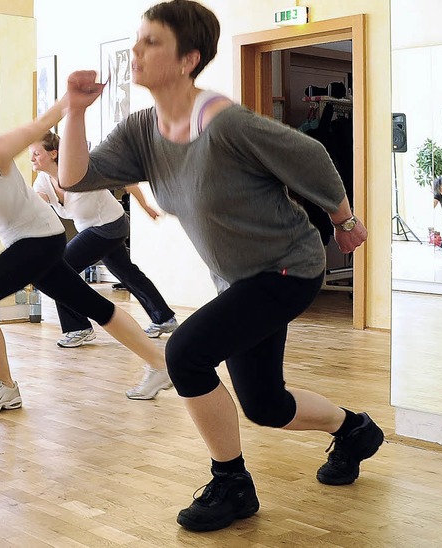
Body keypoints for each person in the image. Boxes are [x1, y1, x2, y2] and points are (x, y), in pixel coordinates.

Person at [58, 0, 384, 532]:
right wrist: (74, 111)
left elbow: (312, 156)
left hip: (288, 269)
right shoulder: (144, 130)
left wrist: (344, 220)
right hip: (239, 280)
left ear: (188, 59)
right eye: (136, 39)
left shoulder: (225, 123)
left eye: (151, 41)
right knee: (264, 404)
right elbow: (76, 176)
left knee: (185, 354)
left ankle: (231, 483)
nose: (136, 51)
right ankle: (354, 431)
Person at [0, 91, 169, 414]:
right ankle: (160, 364)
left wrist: (74, 99)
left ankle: (4, 386)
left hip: (41, 239)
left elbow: (40, 124)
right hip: (25, 245)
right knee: (91, 304)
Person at [29, 131, 177, 400]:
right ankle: (164, 318)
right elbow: (35, 202)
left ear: (53, 153)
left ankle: (78, 328)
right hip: (94, 228)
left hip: (110, 225)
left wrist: (147, 208)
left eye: (36, 153)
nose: (32, 159)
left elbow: (128, 183)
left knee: (59, 269)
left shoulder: (81, 170)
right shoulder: (43, 181)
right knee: (127, 273)